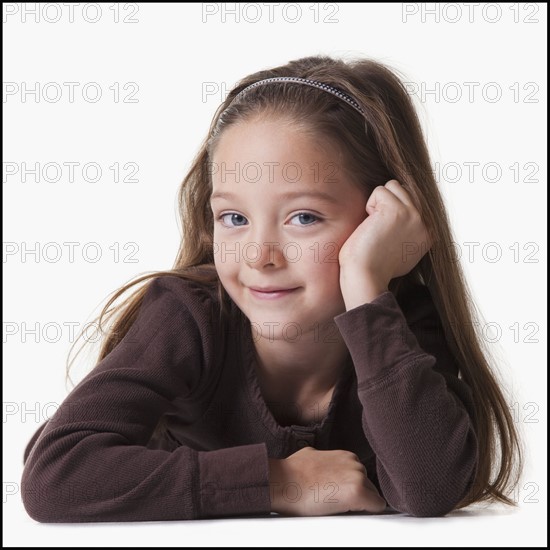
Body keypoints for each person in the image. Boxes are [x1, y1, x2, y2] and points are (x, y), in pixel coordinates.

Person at [21, 55, 522, 522]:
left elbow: (429, 488)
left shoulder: (398, 326)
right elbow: (55, 476)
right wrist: (279, 482)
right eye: (234, 218)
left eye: (304, 217)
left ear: (380, 221)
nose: (260, 255)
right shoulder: (189, 316)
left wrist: (368, 287)